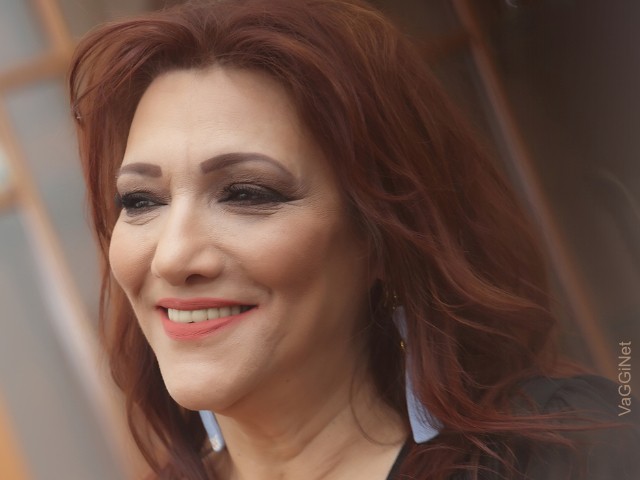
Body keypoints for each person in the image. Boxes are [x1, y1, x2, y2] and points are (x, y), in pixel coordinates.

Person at [68, 0, 639, 478]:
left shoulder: (572, 455)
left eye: (246, 193)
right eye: (140, 201)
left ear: (381, 236)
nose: (172, 257)